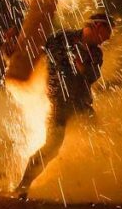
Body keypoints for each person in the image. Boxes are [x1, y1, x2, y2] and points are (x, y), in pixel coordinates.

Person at [15, 12, 114, 199]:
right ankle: (23, 185)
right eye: (107, 32)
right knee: (52, 145)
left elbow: (93, 76)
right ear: (98, 27)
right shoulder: (61, 38)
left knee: (99, 140)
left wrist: (82, 67)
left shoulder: (96, 53)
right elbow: (43, 55)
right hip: (59, 102)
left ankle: (98, 185)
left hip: (81, 104)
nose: (107, 38)